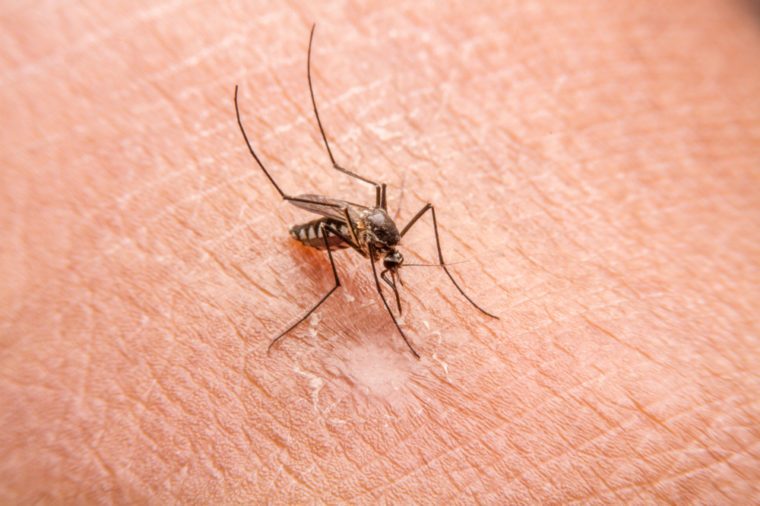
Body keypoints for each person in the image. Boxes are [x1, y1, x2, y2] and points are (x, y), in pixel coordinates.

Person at [1, 1, 758, 502]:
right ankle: (296, 159)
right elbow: (344, 242)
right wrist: (355, 250)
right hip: (322, 234)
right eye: (390, 259)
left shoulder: (393, 237)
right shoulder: (362, 234)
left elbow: (391, 250)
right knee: (340, 269)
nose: (393, 267)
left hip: (356, 229)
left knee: (388, 221)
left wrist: (421, 274)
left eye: (391, 258)